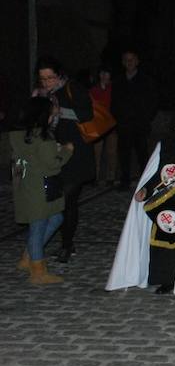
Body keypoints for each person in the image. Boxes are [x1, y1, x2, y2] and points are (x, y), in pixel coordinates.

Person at [106, 108, 175, 299]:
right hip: (165, 204)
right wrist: (145, 190)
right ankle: (166, 280)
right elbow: (156, 174)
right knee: (163, 244)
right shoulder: (164, 145)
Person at [33, 57, 95, 264]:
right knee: (55, 201)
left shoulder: (72, 88)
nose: (47, 82)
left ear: (59, 75)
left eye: (50, 77)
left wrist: (60, 112)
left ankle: (66, 245)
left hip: (76, 153)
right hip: (52, 153)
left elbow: (86, 115)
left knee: (69, 200)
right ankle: (62, 241)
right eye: (43, 78)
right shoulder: (41, 94)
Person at [10, 97, 74, 284]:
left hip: (26, 186)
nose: (53, 115)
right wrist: (66, 151)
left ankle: (28, 257)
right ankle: (37, 271)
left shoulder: (18, 135)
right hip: (40, 189)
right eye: (51, 112)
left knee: (55, 218)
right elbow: (52, 166)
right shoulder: (43, 138)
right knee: (38, 226)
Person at [111, 50, 158, 191]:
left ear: (137, 61)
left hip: (140, 124)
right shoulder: (119, 81)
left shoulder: (146, 80)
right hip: (124, 124)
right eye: (126, 60)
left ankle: (145, 182)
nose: (129, 62)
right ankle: (125, 181)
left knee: (142, 154)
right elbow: (114, 103)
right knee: (124, 154)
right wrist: (118, 117)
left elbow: (153, 101)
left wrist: (146, 117)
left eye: (131, 60)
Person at [89, 66, 117, 185]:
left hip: (112, 124)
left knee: (112, 151)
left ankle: (111, 177)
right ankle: (95, 177)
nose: (105, 76)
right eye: (103, 73)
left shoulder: (114, 89)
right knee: (96, 152)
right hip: (98, 125)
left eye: (107, 74)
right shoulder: (94, 90)